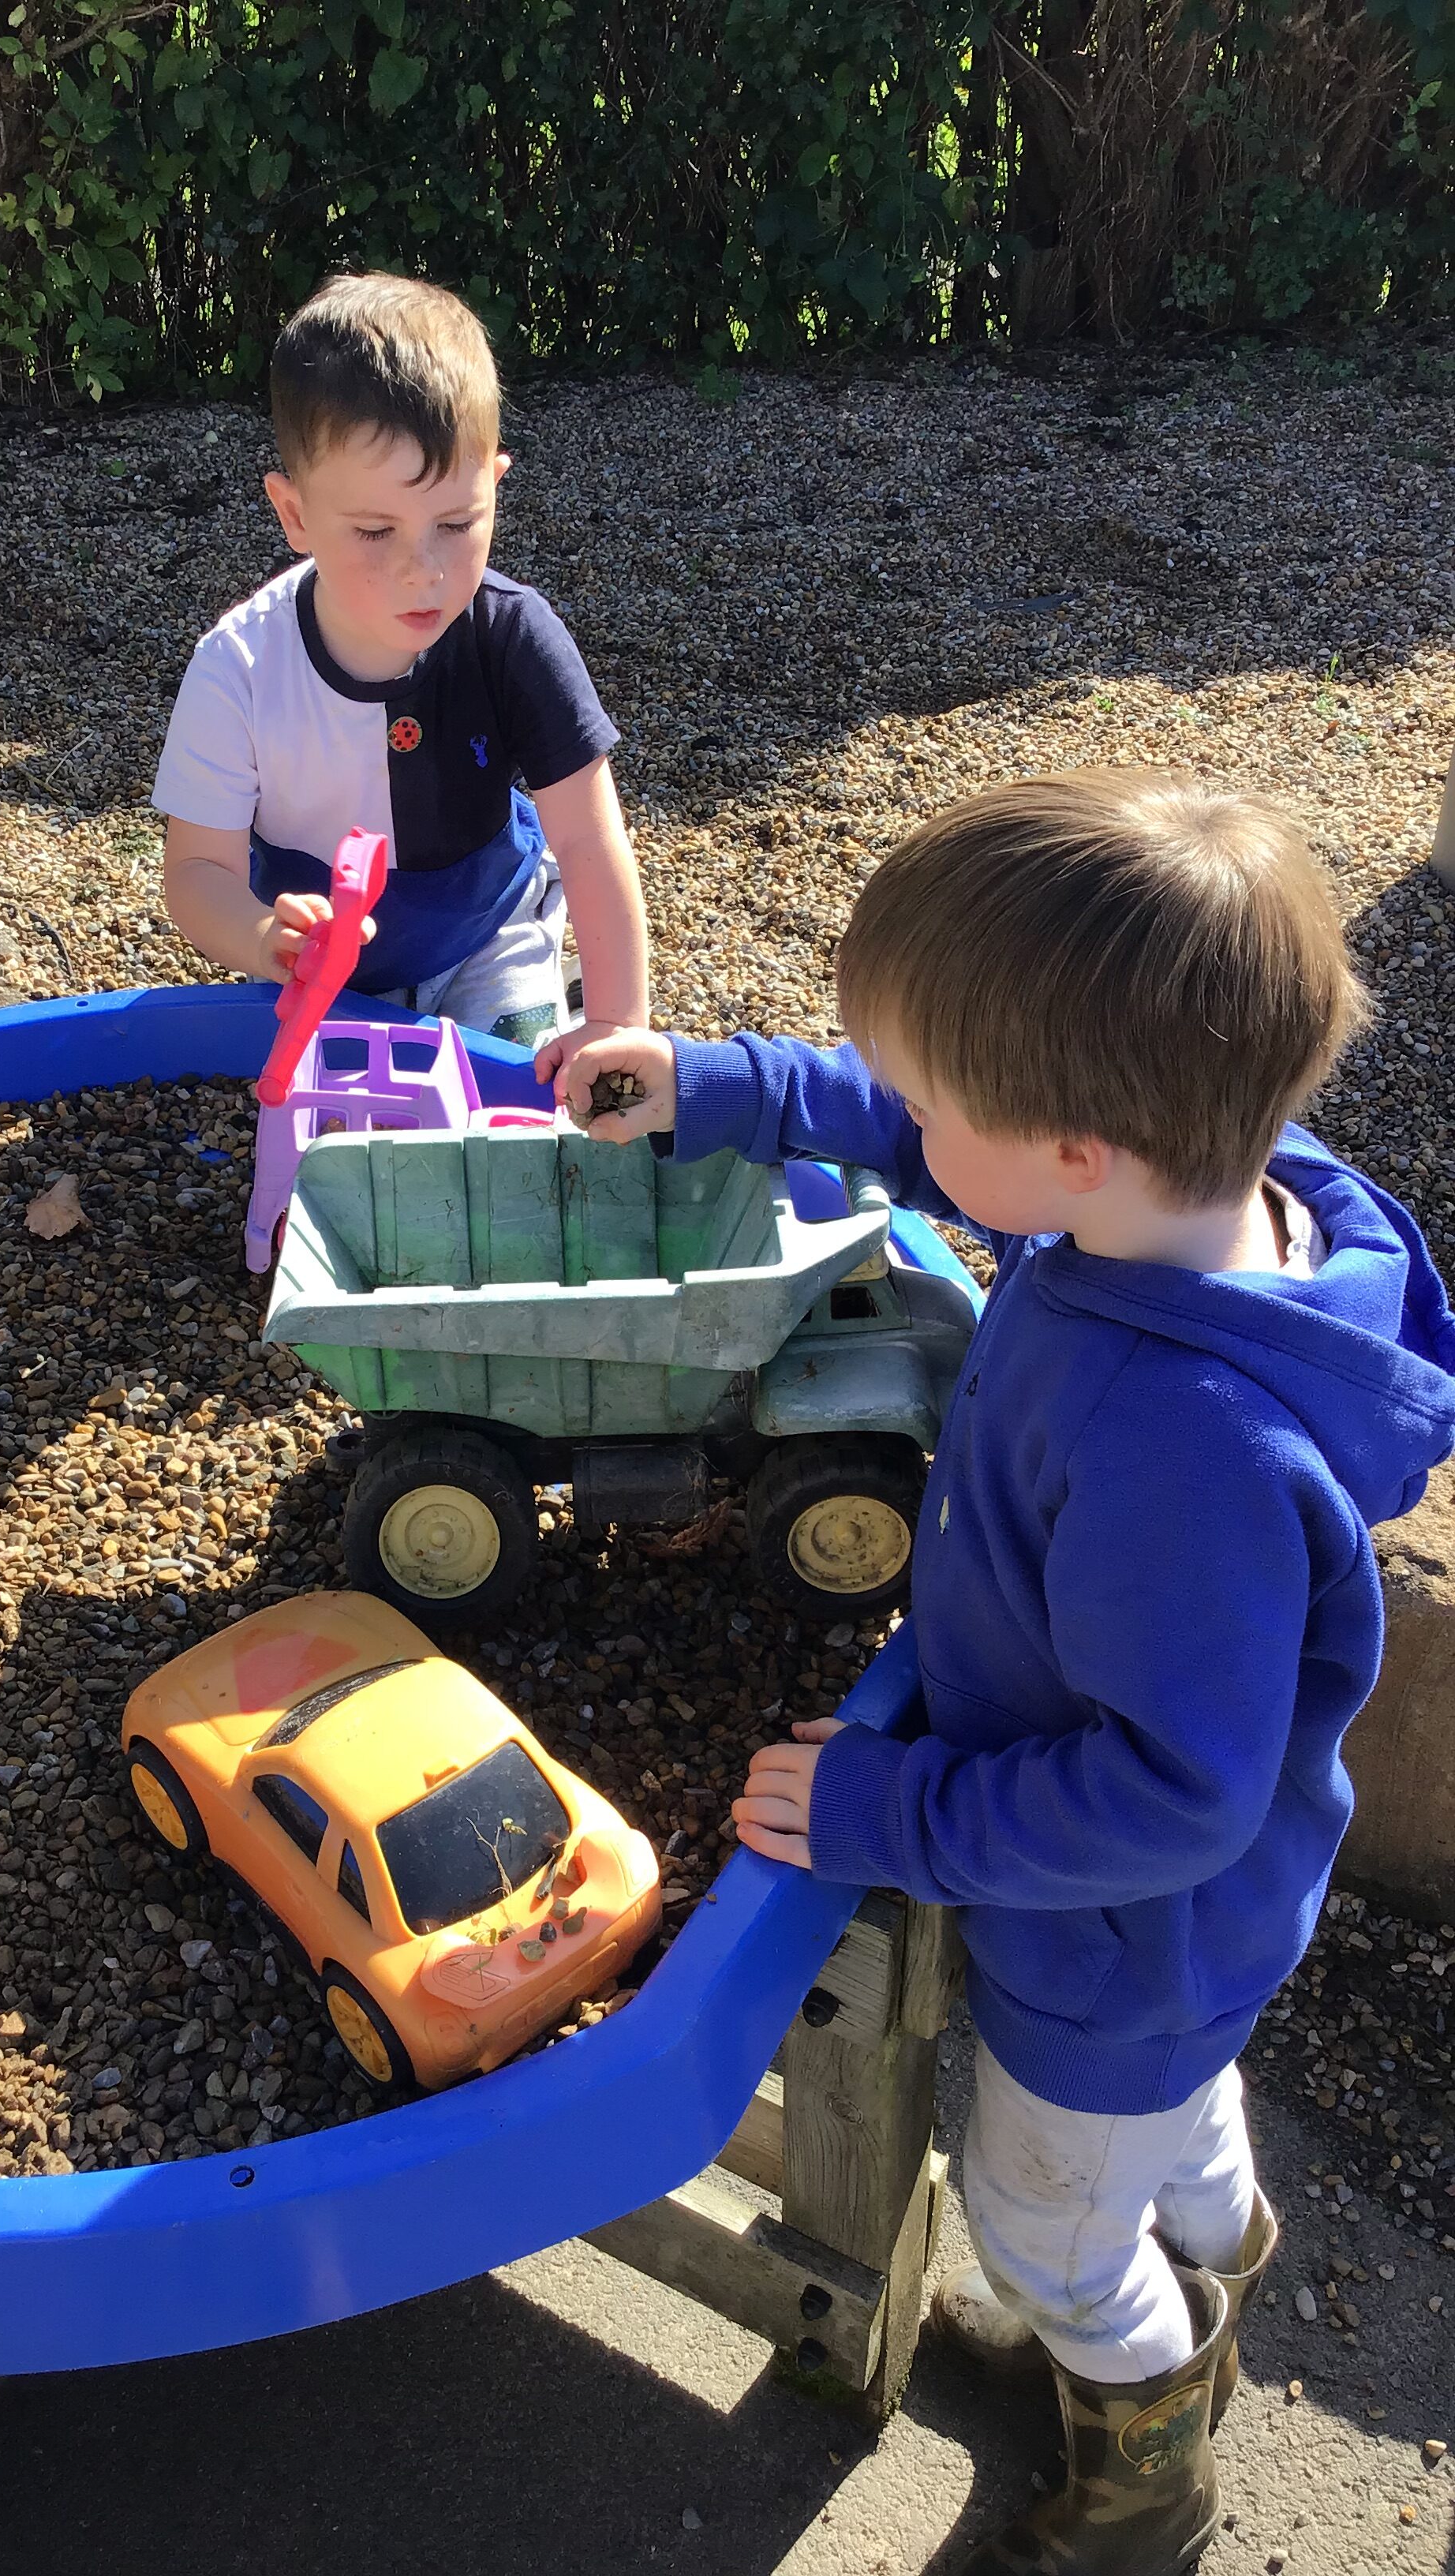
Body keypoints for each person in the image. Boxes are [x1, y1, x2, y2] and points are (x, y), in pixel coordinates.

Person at [544, 771, 1455, 2576]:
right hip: (1197, 1949)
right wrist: (723, 1087)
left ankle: (1141, 2456)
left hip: (1116, 1945)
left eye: (931, 1098)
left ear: (1072, 1154)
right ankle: (1208, 2252)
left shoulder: (1174, 1445)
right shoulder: (1190, 1200)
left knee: (1046, 2224)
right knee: (1178, 2120)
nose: (906, 1118)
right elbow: (935, 1145)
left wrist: (892, 1808)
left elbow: (1167, 1794)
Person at [154, 271, 648, 1063]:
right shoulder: (239, 666)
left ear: (495, 486)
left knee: (517, 1105)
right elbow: (197, 870)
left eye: (456, 523)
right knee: (330, 1131)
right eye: (375, 533)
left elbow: (590, 843)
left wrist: (620, 1028)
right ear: (295, 514)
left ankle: (562, 999)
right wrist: (262, 936)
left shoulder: (513, 637)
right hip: (325, 976)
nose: (423, 570)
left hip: (486, 934)